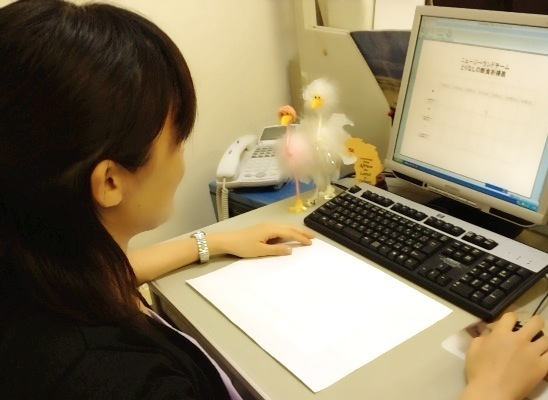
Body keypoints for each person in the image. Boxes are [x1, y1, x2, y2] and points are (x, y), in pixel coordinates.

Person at [0, 1, 547, 400]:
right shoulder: (111, 380)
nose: (182, 157)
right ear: (110, 183)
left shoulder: (31, 269)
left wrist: (209, 241)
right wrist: (491, 390)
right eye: (177, 139)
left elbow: (94, 278)